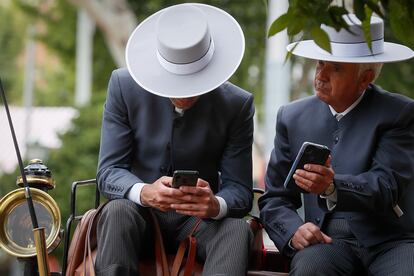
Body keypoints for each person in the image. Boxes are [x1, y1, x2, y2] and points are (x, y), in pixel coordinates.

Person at [95, 3, 254, 276]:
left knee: (238, 229)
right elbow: (109, 171)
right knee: (117, 212)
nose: (184, 93)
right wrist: (144, 192)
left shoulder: (237, 104)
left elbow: (240, 190)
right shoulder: (123, 86)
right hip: (137, 214)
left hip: (200, 221)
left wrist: (215, 205)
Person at [259, 14, 414, 275]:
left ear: (365, 79)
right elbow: (275, 198)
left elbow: (386, 186)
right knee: (310, 267)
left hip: (391, 242)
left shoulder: (400, 113)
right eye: (320, 63)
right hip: (328, 242)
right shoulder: (292, 117)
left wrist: (332, 186)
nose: (321, 74)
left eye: (336, 68)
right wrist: (293, 231)